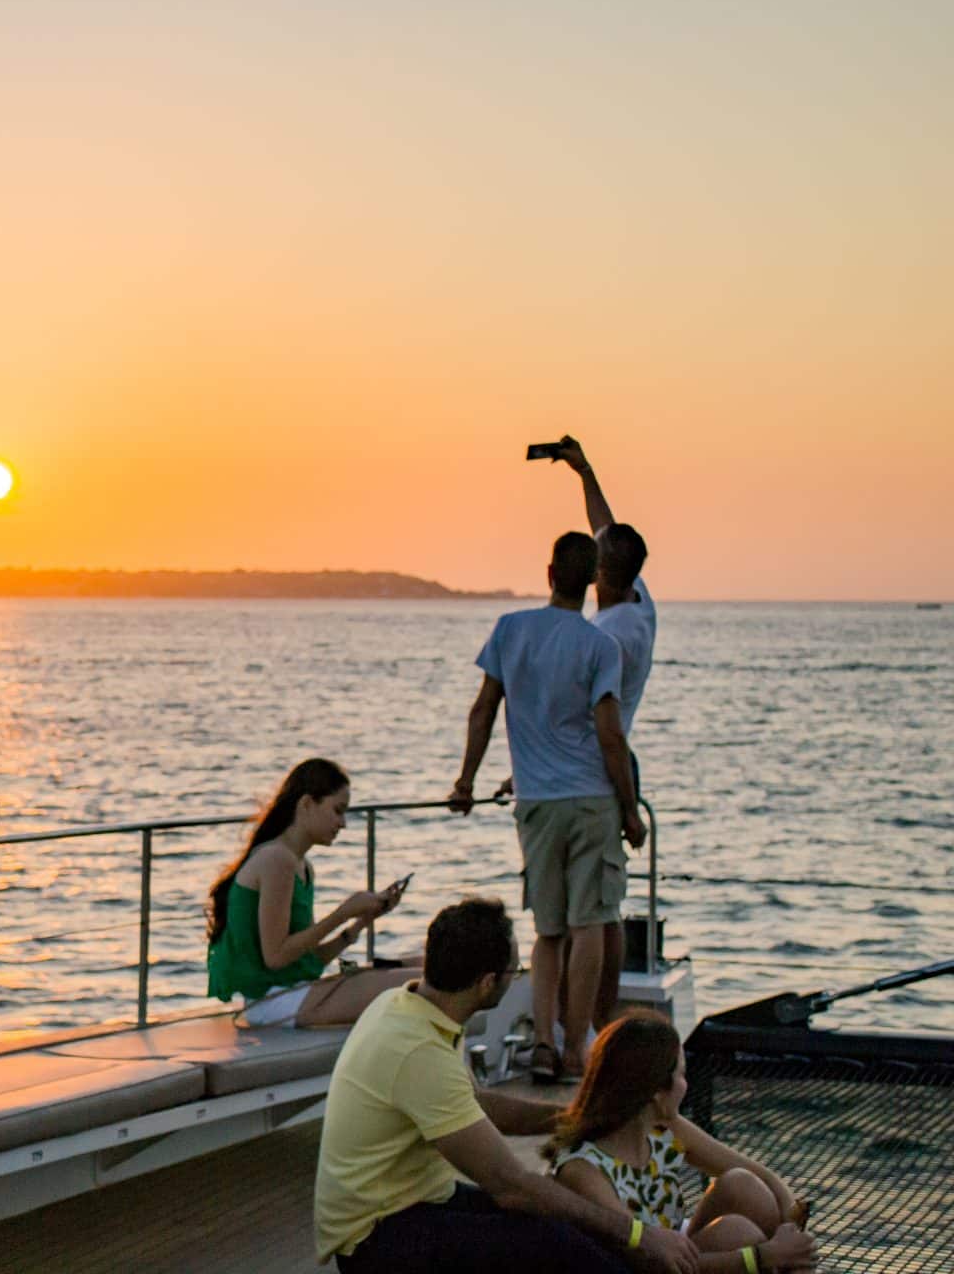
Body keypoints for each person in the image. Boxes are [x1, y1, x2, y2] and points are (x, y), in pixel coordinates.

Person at [313, 898, 701, 1274]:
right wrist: (638, 1235)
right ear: (487, 982)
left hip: (416, 1200)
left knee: (568, 1226)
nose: (517, 978)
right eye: (514, 972)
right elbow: (511, 1186)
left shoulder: (411, 1005)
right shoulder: (418, 1051)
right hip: (376, 1239)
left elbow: (476, 1105)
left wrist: (582, 1117)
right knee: (555, 1242)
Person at [449, 531, 642, 1083]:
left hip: (535, 803)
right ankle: (578, 1048)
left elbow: (483, 709)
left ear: (550, 574)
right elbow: (610, 735)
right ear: (591, 582)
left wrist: (465, 781)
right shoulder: (599, 646)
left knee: (548, 931)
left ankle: (542, 1044)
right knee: (590, 925)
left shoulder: (512, 631)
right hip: (591, 803)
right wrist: (630, 811)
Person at [545, 1012, 815, 1273]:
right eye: (682, 1076)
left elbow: (764, 1176)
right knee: (736, 1233)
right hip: (640, 1267)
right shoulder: (583, 1170)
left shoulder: (662, 1128)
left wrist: (790, 1228)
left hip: (674, 1253)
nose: (686, 1086)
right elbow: (648, 1262)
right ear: (655, 1092)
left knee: (742, 1184)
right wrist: (763, 1256)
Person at [558, 435, 658, 1037]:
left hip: (602, 765)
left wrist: (626, 805)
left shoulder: (611, 638)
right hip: (610, 761)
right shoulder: (640, 600)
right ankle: (595, 1022)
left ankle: (593, 1027)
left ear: (599, 572)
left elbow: (602, 726)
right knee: (604, 907)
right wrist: (584, 471)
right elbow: (607, 527)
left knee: (594, 913)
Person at [205, 759, 413, 1028]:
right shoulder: (277, 860)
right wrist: (343, 913)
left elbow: (307, 959)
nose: (343, 823)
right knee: (417, 987)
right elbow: (276, 957)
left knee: (422, 969)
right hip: (273, 1003)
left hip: (293, 993)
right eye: (338, 811)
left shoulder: (301, 866)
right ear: (306, 804)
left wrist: (362, 920)